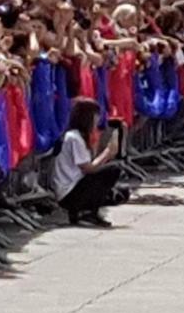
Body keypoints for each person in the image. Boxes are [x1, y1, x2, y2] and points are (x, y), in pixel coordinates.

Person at [53, 97, 130, 227]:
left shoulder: (80, 136)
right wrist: (107, 153)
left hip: (77, 184)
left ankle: (85, 210)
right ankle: (88, 212)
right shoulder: (74, 138)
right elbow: (88, 168)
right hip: (69, 191)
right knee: (113, 170)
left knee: (122, 192)